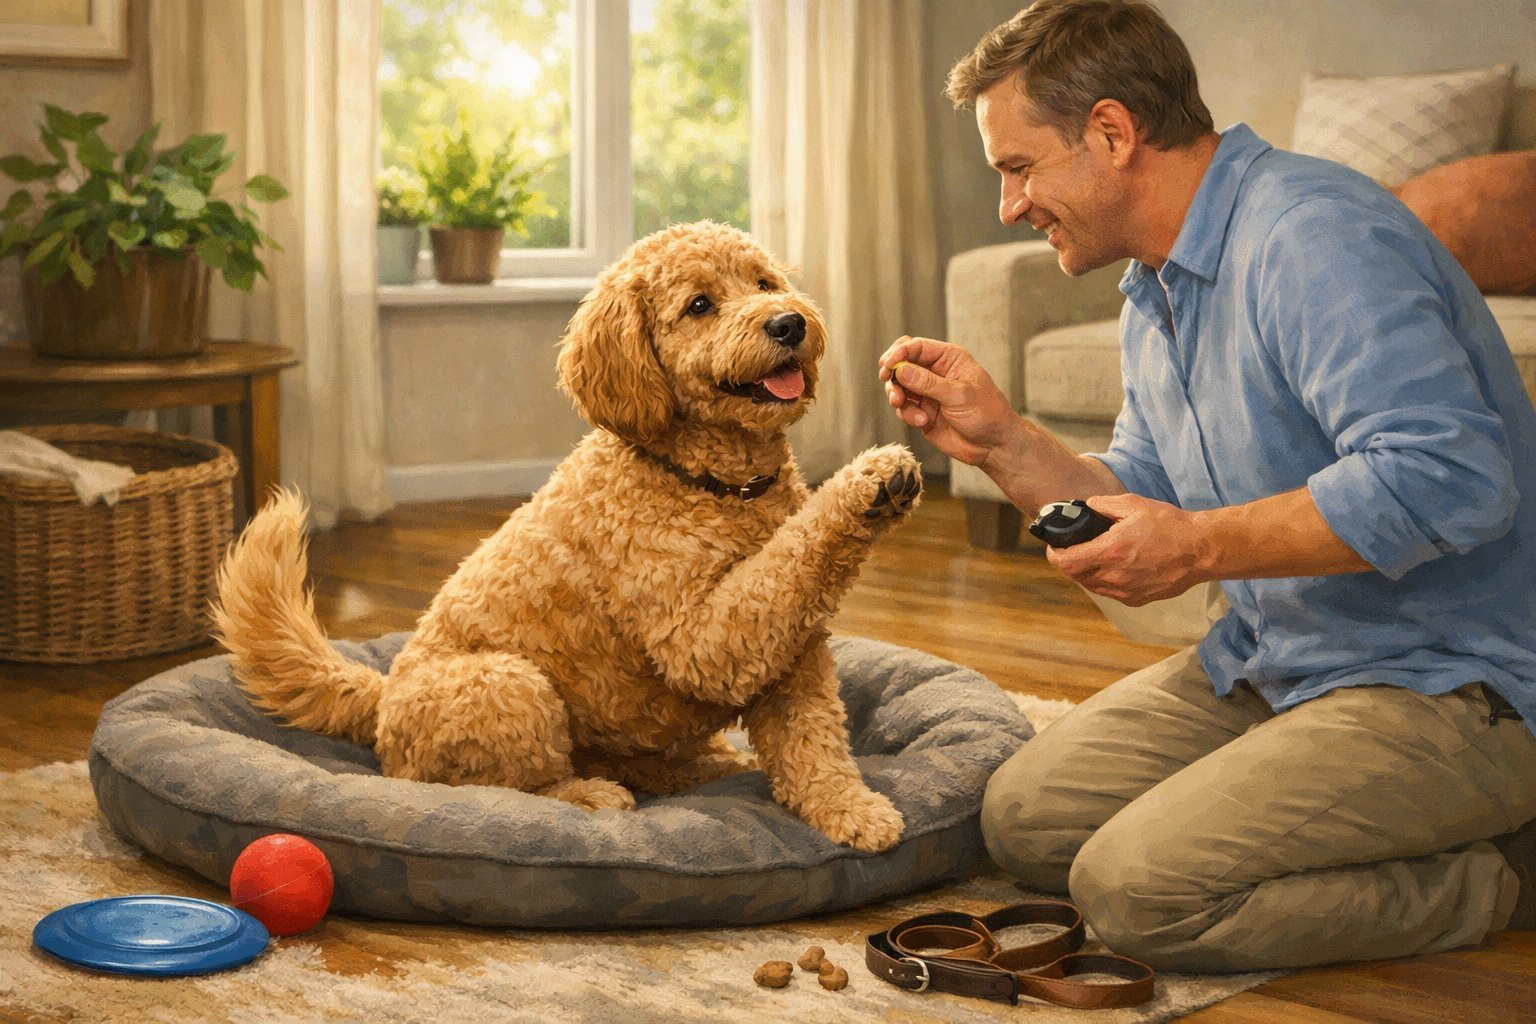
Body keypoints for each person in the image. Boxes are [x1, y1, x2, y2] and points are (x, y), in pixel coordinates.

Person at [880, 0, 1536, 973]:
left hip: (1453, 680)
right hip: (1277, 660)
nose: (1010, 205)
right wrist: (1005, 444)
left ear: (1111, 133)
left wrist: (1197, 546)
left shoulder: (1311, 238)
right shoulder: (1158, 287)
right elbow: (1139, 491)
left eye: (1018, 167)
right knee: (1025, 821)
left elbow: (1454, 476)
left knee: (1138, 891)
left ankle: (1503, 875)